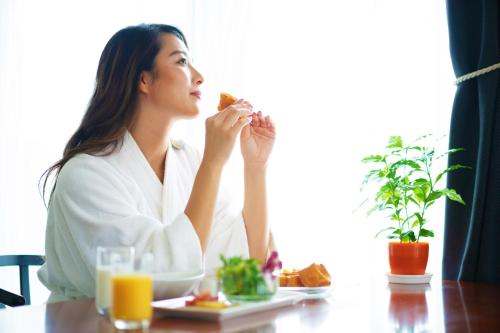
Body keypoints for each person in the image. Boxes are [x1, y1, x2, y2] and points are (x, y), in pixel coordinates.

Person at [37, 23, 276, 302]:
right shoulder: (85, 174)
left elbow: (249, 266)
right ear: (144, 81)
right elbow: (154, 283)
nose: (199, 77)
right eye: (182, 62)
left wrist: (255, 166)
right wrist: (214, 162)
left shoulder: (188, 160)